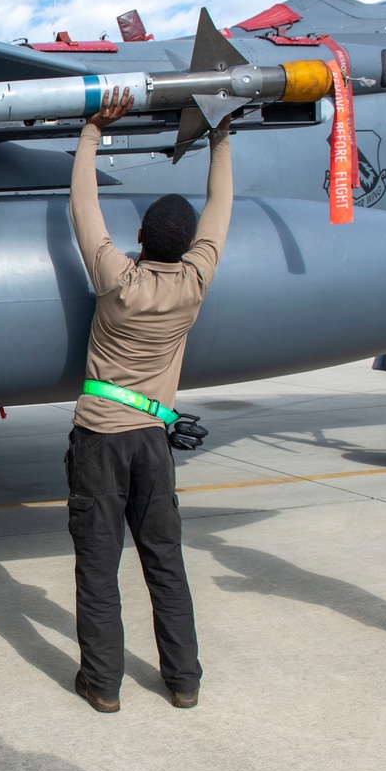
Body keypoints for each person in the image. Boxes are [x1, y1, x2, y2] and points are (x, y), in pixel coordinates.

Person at [65, 87, 232, 713]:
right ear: (188, 246)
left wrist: (91, 131)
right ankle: (183, 681)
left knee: (98, 569)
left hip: (98, 442)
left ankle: (103, 686)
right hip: (152, 444)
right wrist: (220, 134)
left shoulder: (118, 281)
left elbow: (84, 207)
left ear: (139, 235)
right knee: (165, 563)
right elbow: (220, 206)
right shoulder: (195, 281)